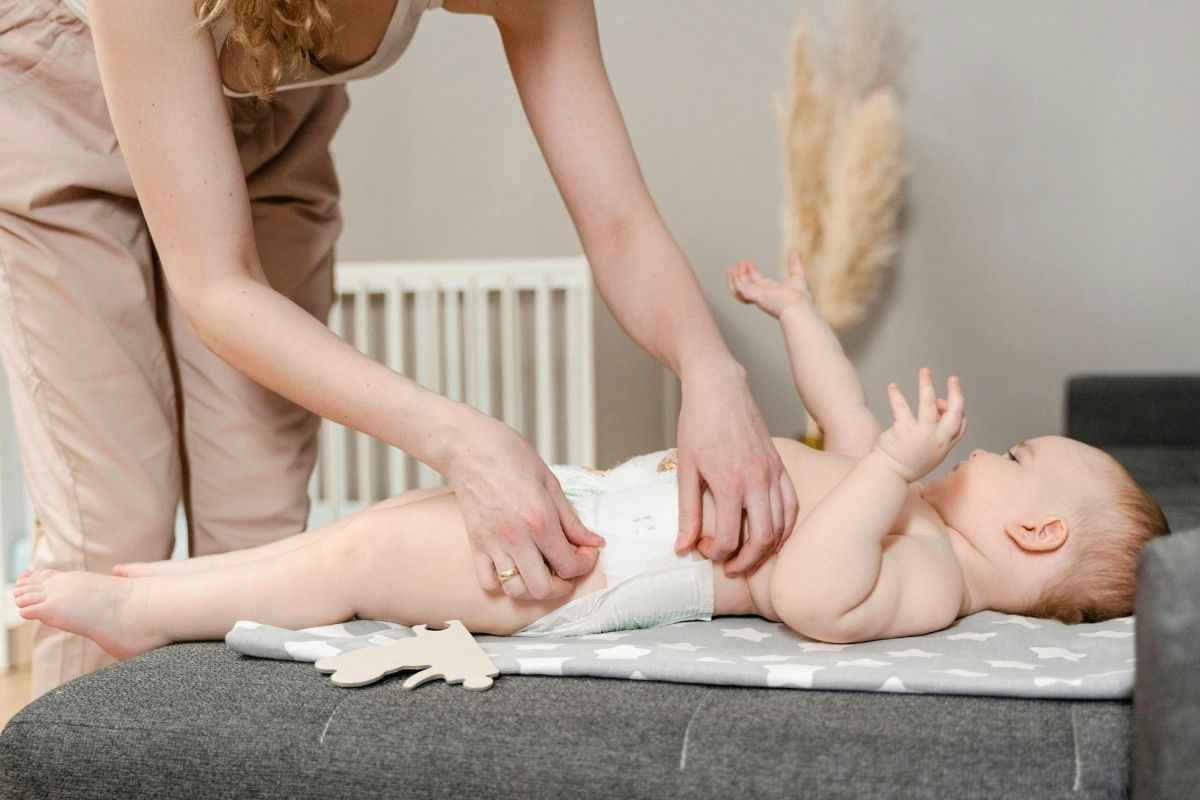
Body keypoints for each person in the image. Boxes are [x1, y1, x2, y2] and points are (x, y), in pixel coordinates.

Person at [0, 0, 796, 694]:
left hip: (271, 108)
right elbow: (216, 286)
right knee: (111, 536)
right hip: (68, 95)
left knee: (262, 545)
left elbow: (618, 224)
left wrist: (710, 369)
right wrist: (458, 440)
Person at [12, 253, 1171, 654]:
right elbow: (840, 406)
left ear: (1036, 531)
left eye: (1020, 454)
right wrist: (797, 313)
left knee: (362, 560)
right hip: (600, 508)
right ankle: (179, 580)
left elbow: (818, 596)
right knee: (380, 525)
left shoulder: (931, 576)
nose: (995, 448)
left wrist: (884, 472)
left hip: (592, 571)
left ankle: (146, 611)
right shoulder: (905, 501)